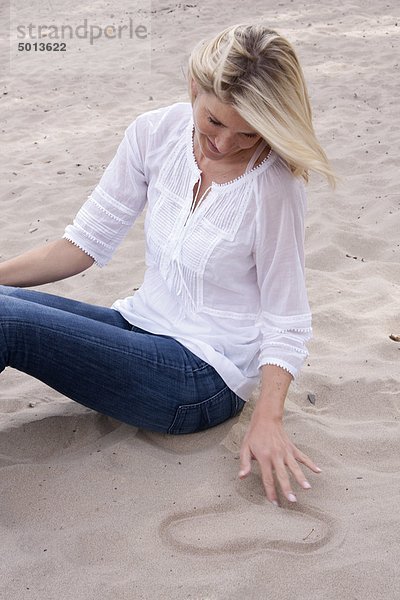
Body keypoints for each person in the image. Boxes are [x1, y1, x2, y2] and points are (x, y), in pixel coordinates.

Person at [0, 23, 335, 507]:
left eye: (250, 133)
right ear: (193, 88)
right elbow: (83, 245)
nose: (226, 144)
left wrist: (269, 417)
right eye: (214, 123)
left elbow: (288, 319)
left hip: (201, 378)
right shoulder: (153, 133)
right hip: (139, 326)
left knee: (6, 321)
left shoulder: (275, 186)